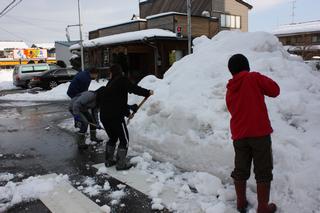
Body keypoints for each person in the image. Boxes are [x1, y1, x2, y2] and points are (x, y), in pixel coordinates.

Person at [225, 54, 280, 213]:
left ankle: (240, 203)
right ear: (246, 66)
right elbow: (275, 90)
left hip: (239, 135)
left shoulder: (230, 89)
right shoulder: (253, 78)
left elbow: (232, 109)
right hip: (259, 133)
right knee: (263, 170)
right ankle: (263, 207)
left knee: (240, 169)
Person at [97, 64, 153, 171]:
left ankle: (108, 161)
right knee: (124, 140)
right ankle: (121, 164)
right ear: (120, 72)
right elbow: (133, 88)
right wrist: (147, 92)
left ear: (112, 72)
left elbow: (117, 102)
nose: (109, 74)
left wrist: (127, 113)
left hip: (104, 115)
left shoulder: (110, 84)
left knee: (113, 138)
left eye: (110, 72)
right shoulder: (122, 80)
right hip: (115, 117)